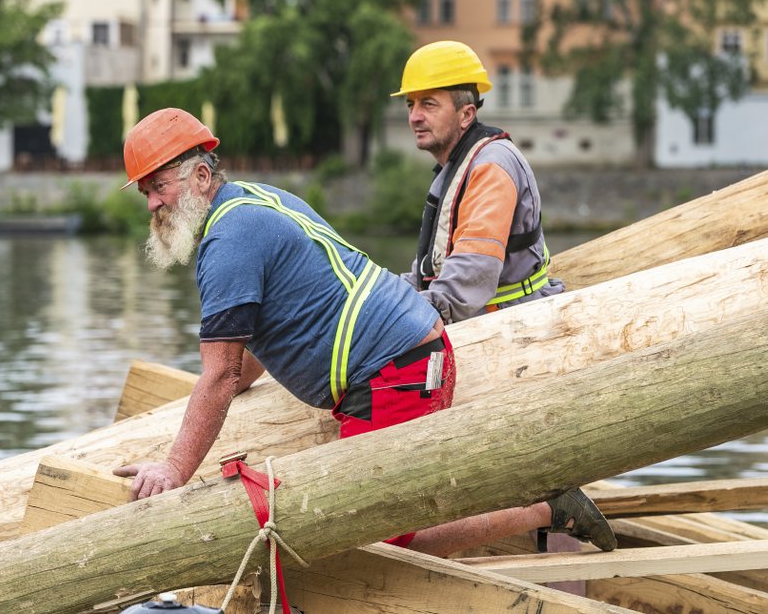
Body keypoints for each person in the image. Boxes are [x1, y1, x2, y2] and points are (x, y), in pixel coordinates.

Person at [112, 107, 615, 558]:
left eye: (160, 187)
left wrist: (174, 470)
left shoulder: (229, 240)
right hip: (399, 362)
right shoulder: (250, 203)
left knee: (370, 540)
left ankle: (549, 511)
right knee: (369, 523)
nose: (153, 204)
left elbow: (218, 375)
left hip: (398, 371)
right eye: (146, 193)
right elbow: (250, 344)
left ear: (201, 176)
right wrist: (230, 383)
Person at [394, 40, 564, 324]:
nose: (414, 117)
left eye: (429, 104)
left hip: (513, 324)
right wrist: (380, 298)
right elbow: (427, 269)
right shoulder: (455, 165)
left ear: (466, 114)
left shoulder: (491, 167)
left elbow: (471, 274)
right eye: (411, 104)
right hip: (484, 318)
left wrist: (409, 318)